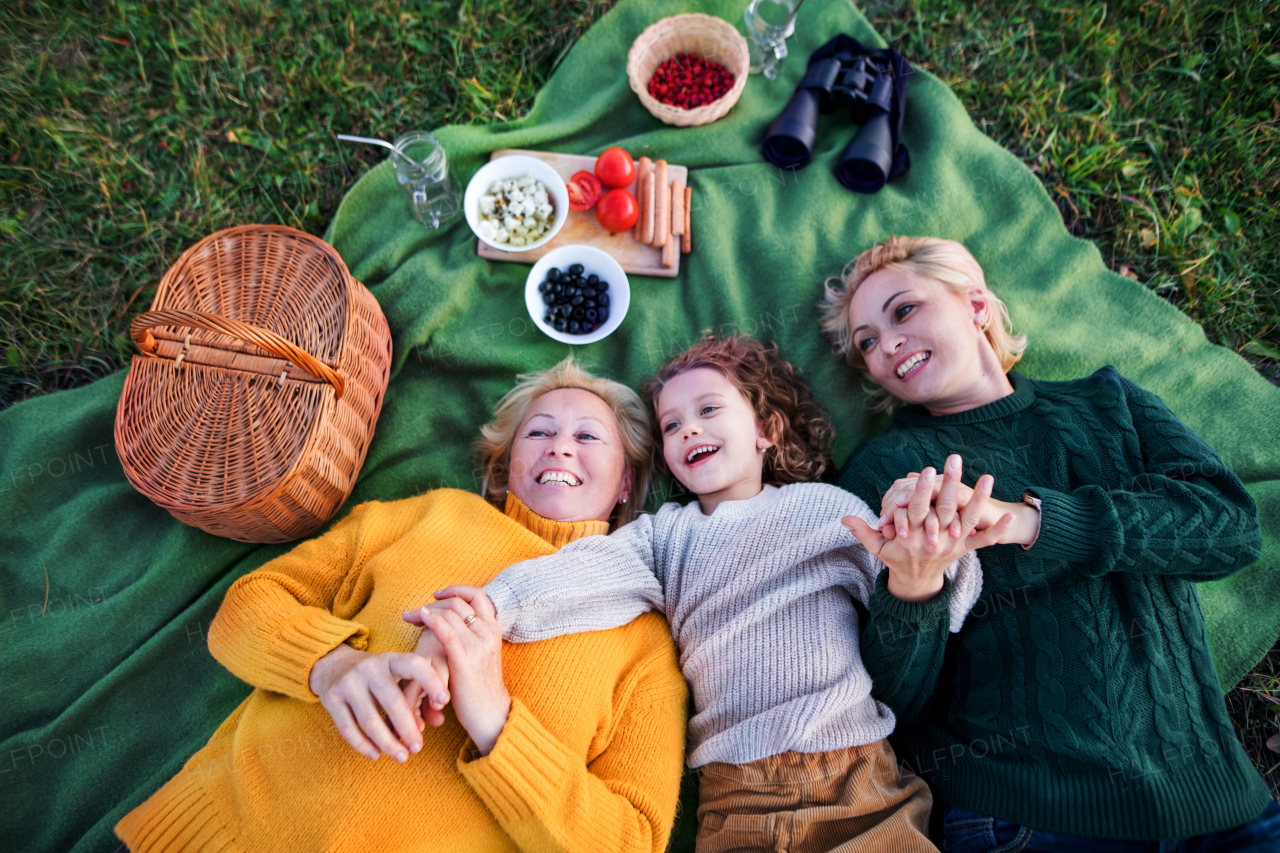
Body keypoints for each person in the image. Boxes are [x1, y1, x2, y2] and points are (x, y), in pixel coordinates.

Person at [411, 335, 1011, 853]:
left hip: (856, 779)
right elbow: (583, 570)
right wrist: (491, 606)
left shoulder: (827, 511)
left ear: (766, 431)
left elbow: (934, 599)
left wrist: (934, 546)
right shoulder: (666, 536)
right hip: (734, 801)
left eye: (707, 410)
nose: (687, 428)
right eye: (672, 425)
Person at [114, 357, 688, 853]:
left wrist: (496, 723)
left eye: (589, 437)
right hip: (224, 832)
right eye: (538, 433)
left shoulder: (643, 638)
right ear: (505, 464)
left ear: (624, 484)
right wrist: (332, 665)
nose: (561, 444)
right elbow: (246, 608)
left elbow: (631, 840)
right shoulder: (428, 514)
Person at [820, 235, 1280, 852]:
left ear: (977, 305)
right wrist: (914, 586)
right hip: (1023, 816)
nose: (886, 346)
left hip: (1218, 804)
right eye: (866, 343)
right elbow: (889, 701)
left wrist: (1032, 522)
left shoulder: (1108, 403)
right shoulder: (888, 473)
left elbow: (1230, 528)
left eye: (903, 310)